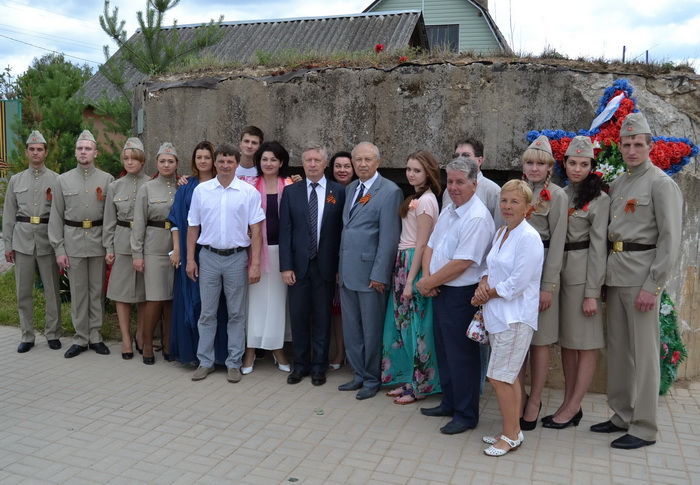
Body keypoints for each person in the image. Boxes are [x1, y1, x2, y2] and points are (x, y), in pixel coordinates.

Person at [591, 112, 682, 449]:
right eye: (626, 144)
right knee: (619, 350)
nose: (631, 150)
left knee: (644, 355)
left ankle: (644, 427)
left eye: (638, 144)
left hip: (642, 277)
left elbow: (670, 239)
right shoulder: (619, 183)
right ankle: (622, 414)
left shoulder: (661, 184)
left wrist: (653, 285)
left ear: (650, 146)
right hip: (617, 275)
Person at [416, 157, 494, 434]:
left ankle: (465, 415)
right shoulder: (450, 210)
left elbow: (463, 263)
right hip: (440, 289)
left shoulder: (477, 217)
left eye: (460, 182)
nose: (453, 187)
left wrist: (429, 282)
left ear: (474, 184)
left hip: (461, 295)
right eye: (450, 181)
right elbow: (431, 246)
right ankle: (449, 402)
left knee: (462, 356)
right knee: (445, 352)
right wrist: (428, 278)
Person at [472, 180, 544, 456]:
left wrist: (485, 295)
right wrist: (483, 283)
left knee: (499, 377)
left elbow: (518, 283)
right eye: (504, 200)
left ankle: (511, 436)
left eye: (515, 202)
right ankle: (512, 430)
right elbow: (490, 267)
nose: (507, 206)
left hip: (515, 318)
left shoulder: (529, 237)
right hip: (498, 316)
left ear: (527, 207)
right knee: (508, 377)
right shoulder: (502, 232)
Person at [542, 136, 609, 429]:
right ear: (564, 164)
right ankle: (570, 403)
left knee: (586, 344)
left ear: (591, 166)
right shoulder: (560, 194)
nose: (577, 169)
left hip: (583, 277)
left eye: (583, 164)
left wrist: (592, 291)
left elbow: (599, 247)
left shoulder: (600, 199)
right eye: (572, 163)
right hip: (561, 274)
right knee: (569, 343)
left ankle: (572, 406)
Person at [187, 142, 265, 383]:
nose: (225, 165)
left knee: (236, 314)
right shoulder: (201, 191)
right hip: (208, 257)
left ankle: (234, 363)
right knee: (207, 313)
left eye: (230, 161)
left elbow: (257, 231)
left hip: (237, 258)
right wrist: (190, 259)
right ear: (215, 162)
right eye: (221, 161)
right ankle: (205, 362)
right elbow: (193, 227)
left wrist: (255, 264)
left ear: (236, 164)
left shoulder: (248, 192)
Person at [338, 141, 402, 400]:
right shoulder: (351, 188)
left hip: (370, 276)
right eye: (358, 160)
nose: (362, 164)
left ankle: (372, 378)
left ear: (378, 162)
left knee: (371, 330)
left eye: (368, 159)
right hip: (347, 272)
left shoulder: (390, 191)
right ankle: (358, 374)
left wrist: (379, 274)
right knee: (352, 329)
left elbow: (388, 238)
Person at [279, 143, 346, 386]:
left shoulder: (339, 192)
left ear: (325, 163)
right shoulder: (291, 192)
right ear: (303, 163)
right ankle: (300, 366)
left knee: (322, 318)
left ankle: (319, 367)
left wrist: (339, 267)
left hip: (325, 266)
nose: (313, 164)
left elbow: (341, 232)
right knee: (298, 318)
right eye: (308, 160)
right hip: (298, 266)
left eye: (317, 160)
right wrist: (286, 266)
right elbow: (285, 231)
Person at [382, 150, 441, 404]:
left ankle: (421, 385)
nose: (411, 174)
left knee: (417, 328)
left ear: (428, 173)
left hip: (412, 265)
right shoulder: (417, 198)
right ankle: (409, 378)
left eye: (417, 170)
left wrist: (409, 282)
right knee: (403, 326)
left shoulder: (426, 201)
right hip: (403, 263)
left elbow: (422, 244)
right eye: (408, 169)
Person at [49, 130, 114, 358]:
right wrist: (59, 249)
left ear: (95, 153)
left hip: (97, 241)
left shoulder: (107, 180)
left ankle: (95, 336)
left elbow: (110, 217)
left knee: (96, 292)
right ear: (75, 152)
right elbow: (56, 217)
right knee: (78, 293)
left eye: (87, 148)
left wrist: (109, 247)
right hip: (73, 242)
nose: (83, 152)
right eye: (80, 148)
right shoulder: (62, 180)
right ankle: (80, 338)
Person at [518, 135, 567, 430]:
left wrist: (548, 286)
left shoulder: (557, 196)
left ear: (550, 167)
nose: (534, 168)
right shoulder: (516, 190)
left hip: (542, 269)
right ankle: (518, 396)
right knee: (517, 338)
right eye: (529, 163)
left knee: (540, 342)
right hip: (518, 272)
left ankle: (535, 400)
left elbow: (558, 243)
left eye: (540, 163)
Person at [169, 141, 229, 365]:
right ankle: (192, 354)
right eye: (199, 157)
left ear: (214, 160)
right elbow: (175, 220)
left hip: (217, 252)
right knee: (192, 301)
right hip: (190, 252)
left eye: (207, 157)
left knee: (215, 304)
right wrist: (178, 251)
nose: (203, 161)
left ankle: (219, 355)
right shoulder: (186, 187)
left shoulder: (222, 185)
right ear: (194, 160)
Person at [3, 130, 61, 353]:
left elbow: (60, 214)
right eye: (32, 149)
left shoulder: (56, 180)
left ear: (46, 153)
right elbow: (9, 215)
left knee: (52, 291)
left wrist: (60, 244)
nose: (36, 152)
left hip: (47, 240)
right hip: (22, 241)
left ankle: (53, 333)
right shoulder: (16, 180)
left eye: (39, 149)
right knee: (23, 291)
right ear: (26, 152)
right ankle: (27, 335)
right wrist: (8, 244)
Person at [240, 141, 293, 374]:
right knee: (254, 303)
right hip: (255, 252)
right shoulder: (247, 185)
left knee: (278, 303)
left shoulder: (290, 185)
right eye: (264, 159)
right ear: (258, 162)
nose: (268, 163)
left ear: (281, 162)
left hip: (282, 253)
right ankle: (250, 350)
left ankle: (277, 348)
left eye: (273, 159)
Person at [131, 142, 178, 365]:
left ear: (176, 163)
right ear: (156, 163)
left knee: (171, 301)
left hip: (176, 249)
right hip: (153, 249)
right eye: (162, 161)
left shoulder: (181, 186)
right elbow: (139, 223)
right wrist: (137, 254)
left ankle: (168, 343)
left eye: (170, 161)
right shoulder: (147, 188)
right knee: (155, 299)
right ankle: (147, 343)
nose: (166, 165)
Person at [103, 138, 148, 360]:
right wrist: (108, 247)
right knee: (121, 293)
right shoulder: (115, 186)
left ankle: (141, 334)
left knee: (143, 293)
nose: (130, 162)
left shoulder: (151, 184)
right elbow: (109, 221)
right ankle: (125, 338)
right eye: (126, 158)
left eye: (134, 159)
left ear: (143, 161)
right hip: (121, 241)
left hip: (146, 242)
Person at [327, 151, 355, 370]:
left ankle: (356, 356)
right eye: (338, 166)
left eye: (347, 166)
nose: (342, 170)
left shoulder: (361, 192)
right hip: (331, 257)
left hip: (354, 258)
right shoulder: (329, 192)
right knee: (336, 310)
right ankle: (340, 352)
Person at [442, 139, 504, 228]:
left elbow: (500, 228)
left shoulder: (493, 191)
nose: (460, 159)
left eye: (466, 155)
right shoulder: (449, 190)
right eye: (456, 156)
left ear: (479, 161)